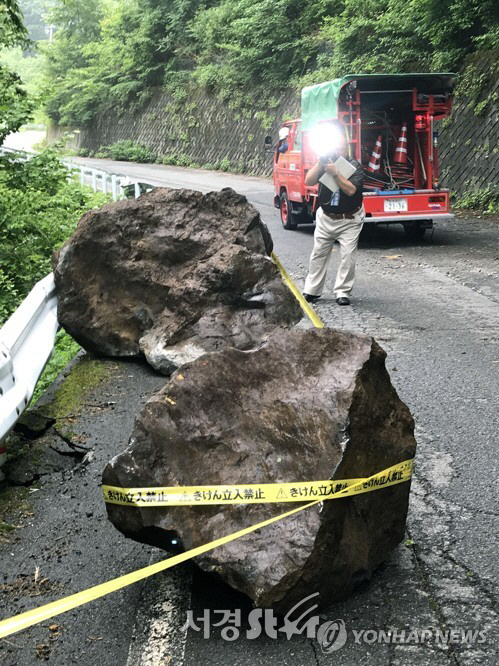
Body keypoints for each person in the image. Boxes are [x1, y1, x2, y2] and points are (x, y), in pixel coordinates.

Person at [303, 128, 365, 306]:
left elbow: (351, 190)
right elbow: (308, 181)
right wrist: (321, 163)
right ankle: (312, 291)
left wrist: (335, 173)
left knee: (347, 256)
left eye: (339, 149)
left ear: (345, 149)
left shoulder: (355, 167)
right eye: (333, 149)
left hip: (349, 219)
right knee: (318, 254)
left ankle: (342, 292)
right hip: (326, 216)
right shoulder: (324, 163)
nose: (336, 153)